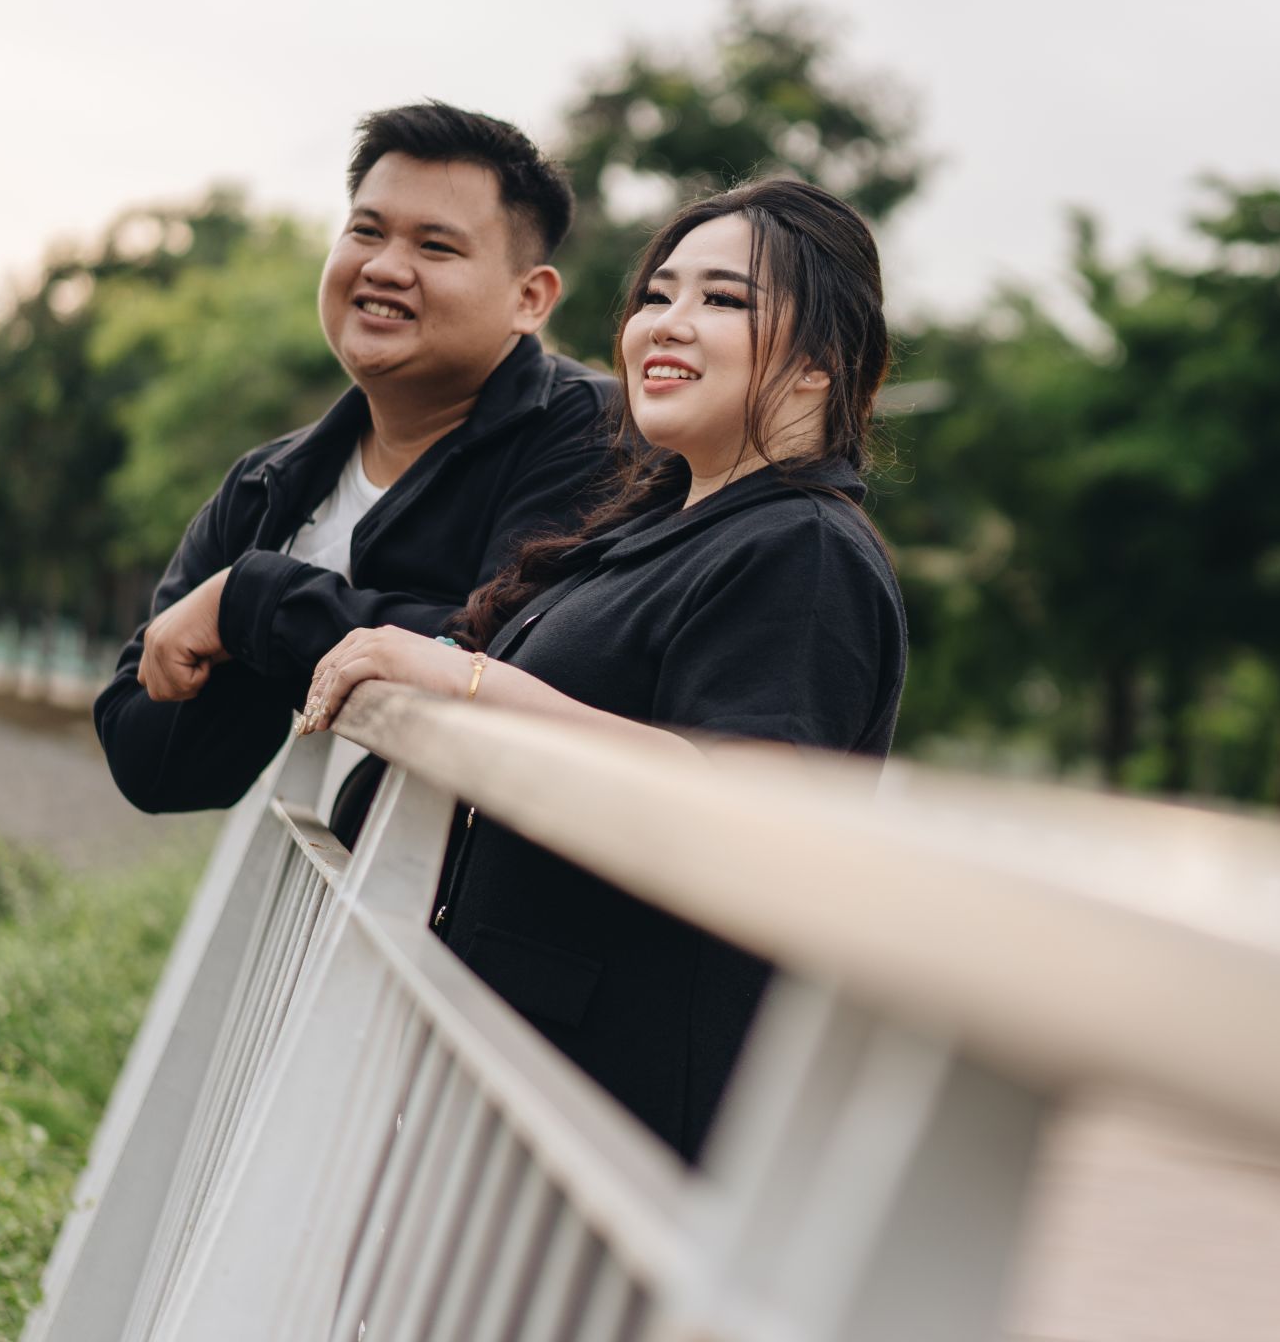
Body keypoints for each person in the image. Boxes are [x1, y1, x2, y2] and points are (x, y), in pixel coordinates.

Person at [298, 177, 906, 1161]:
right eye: (657, 294)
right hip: (509, 1069)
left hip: (615, 1119)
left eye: (723, 299)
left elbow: (744, 805)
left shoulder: (804, 550)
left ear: (818, 364)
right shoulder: (660, 531)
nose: (666, 323)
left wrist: (470, 683)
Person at [94, 102, 616, 815]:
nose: (384, 266)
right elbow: (151, 764)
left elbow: (508, 660)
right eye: (366, 231)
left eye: (435, 246)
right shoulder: (270, 482)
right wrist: (256, 633)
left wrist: (252, 603)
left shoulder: (594, 433)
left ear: (530, 298)